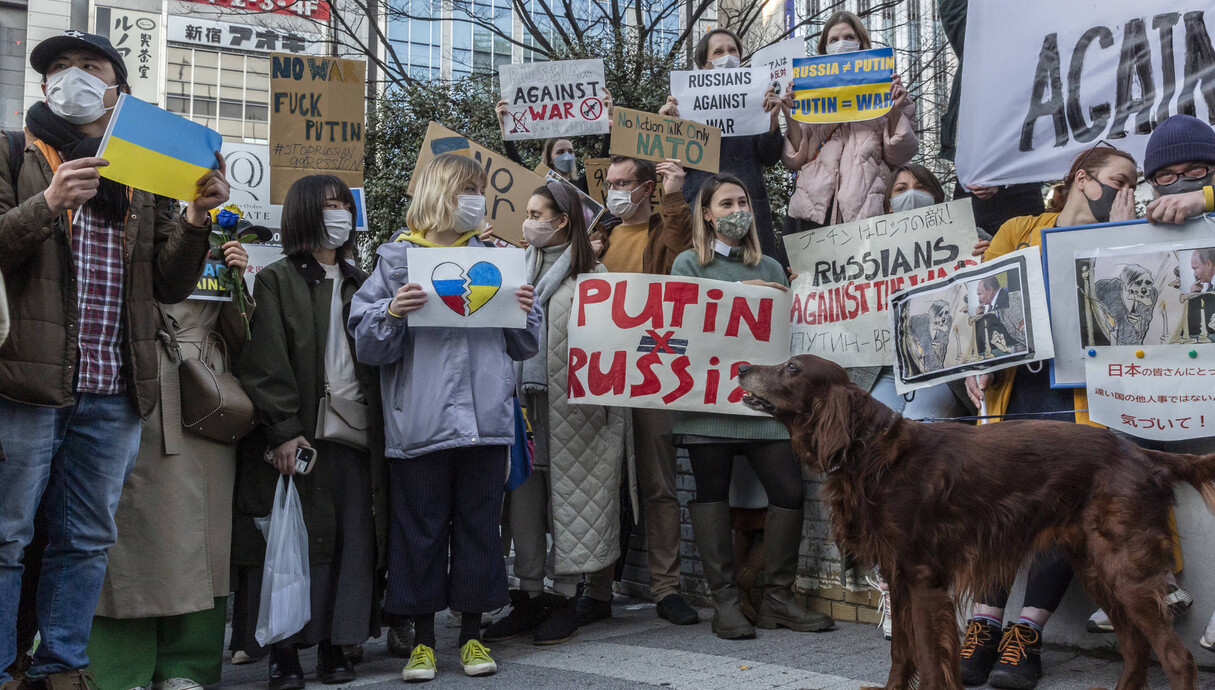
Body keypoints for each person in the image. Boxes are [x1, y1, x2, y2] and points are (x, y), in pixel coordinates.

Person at [0, 30, 228, 690]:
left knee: (86, 539)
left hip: (115, 387)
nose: (73, 78)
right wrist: (46, 205)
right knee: (8, 539)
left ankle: (62, 665)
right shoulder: (15, 152)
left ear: (116, 89)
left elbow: (168, 285)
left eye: (90, 67)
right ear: (43, 87)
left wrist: (194, 222)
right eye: (59, 69)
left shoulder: (143, 170)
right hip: (25, 383)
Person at [349, 153, 542, 682]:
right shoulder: (394, 260)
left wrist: (526, 307)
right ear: (440, 193)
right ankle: (422, 642)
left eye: (480, 190)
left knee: (481, 529)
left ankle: (474, 638)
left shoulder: (497, 259)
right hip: (420, 424)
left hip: (486, 423)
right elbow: (367, 343)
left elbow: (525, 343)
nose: (478, 200)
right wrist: (391, 312)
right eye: (468, 189)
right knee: (420, 531)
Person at [959, 145, 1138, 690]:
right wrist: (975, 363)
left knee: (1064, 508)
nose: (1128, 191)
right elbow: (981, 304)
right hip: (1018, 392)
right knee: (1000, 505)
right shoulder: (1019, 228)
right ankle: (985, 624)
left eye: (1135, 183)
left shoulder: (1127, 235)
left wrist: (1121, 240)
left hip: (1082, 398)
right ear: (1082, 179)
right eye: (1120, 179)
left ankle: (1026, 633)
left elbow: (1126, 323)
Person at [85, 221, 259, 690]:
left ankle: (187, 666)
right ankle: (120, 671)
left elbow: (241, 338)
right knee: (129, 538)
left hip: (204, 397)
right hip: (132, 386)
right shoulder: (116, 225)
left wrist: (239, 283)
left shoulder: (220, 245)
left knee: (202, 539)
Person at [232, 175, 384, 690]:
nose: (338, 214)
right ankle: (285, 650)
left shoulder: (364, 280)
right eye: (327, 206)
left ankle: (338, 644)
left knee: (350, 543)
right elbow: (265, 358)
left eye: (344, 205)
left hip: (359, 434)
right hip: (302, 435)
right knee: (295, 544)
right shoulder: (276, 278)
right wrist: (282, 431)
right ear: (302, 214)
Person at [669, 173, 834, 639]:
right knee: (711, 496)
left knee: (788, 492)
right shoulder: (687, 264)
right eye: (726, 203)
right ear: (706, 214)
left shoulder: (772, 268)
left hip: (765, 407)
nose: (737, 210)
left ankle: (777, 599)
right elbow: (683, 327)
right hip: (707, 404)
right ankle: (725, 603)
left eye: (742, 201)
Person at [483, 180, 634, 646]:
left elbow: (615, 357)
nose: (527, 223)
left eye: (536, 213)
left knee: (574, 505)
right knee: (524, 507)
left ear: (561, 221)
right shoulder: (510, 274)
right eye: (527, 213)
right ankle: (528, 596)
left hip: (577, 418)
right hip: (522, 413)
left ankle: (564, 598)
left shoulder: (597, 281)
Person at [576, 154, 700, 628]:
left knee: (658, 485)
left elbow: (685, 249)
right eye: (609, 183)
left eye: (624, 183)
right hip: (603, 370)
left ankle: (667, 590)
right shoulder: (597, 236)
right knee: (602, 484)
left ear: (647, 187)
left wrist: (675, 197)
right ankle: (597, 591)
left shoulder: (663, 232)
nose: (614, 191)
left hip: (651, 368)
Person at [780, 12, 918, 236]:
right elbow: (795, 160)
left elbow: (900, 156)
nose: (841, 44)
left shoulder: (890, 91)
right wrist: (790, 115)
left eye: (849, 37)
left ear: (862, 43)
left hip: (869, 212)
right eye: (833, 40)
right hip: (814, 211)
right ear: (824, 48)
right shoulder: (808, 93)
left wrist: (893, 112)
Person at [658, 29, 786, 262]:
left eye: (732, 50)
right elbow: (674, 165)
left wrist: (772, 122)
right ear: (705, 65)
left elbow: (769, 157)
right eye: (718, 52)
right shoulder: (685, 103)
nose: (727, 56)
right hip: (700, 205)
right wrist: (669, 128)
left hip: (746, 209)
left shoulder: (756, 97)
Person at [494, 90, 614, 194]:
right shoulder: (541, 185)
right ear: (550, 158)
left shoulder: (583, 185)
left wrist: (609, 119)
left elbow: (602, 161)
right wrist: (504, 125)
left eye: (570, 151)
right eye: (560, 152)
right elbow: (517, 164)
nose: (567, 155)